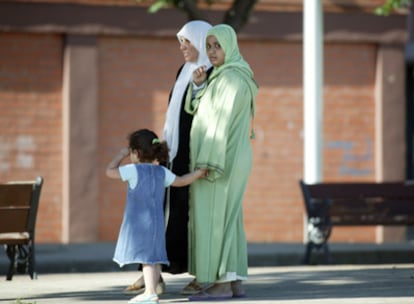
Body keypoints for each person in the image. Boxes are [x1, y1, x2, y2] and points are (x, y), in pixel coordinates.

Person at [124, 20, 213, 296]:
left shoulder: (210, 73)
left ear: (200, 40)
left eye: (186, 41)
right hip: (170, 152)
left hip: (192, 155)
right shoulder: (183, 70)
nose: (182, 47)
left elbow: (203, 112)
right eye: (180, 42)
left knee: (185, 217)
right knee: (157, 214)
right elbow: (173, 113)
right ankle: (153, 274)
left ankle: (196, 273)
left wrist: (199, 86)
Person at [184, 24, 258, 301]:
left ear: (231, 45)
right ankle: (234, 279)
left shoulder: (231, 80)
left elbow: (219, 124)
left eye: (217, 46)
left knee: (217, 219)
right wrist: (200, 85)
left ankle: (222, 283)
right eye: (209, 46)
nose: (212, 52)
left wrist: (206, 164)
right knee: (229, 219)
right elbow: (202, 110)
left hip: (219, 160)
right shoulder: (225, 76)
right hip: (227, 157)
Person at [106, 129, 207, 304]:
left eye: (131, 152)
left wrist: (120, 155)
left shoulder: (133, 170)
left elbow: (110, 171)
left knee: (147, 259)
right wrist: (198, 174)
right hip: (157, 224)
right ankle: (151, 290)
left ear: (136, 153)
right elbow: (181, 181)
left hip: (140, 226)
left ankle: (150, 292)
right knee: (154, 258)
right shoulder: (161, 172)